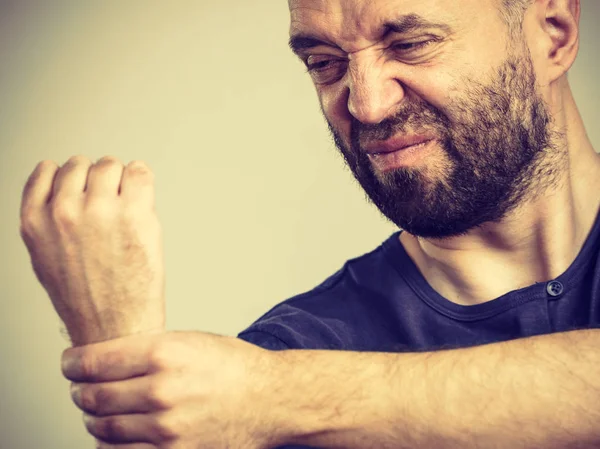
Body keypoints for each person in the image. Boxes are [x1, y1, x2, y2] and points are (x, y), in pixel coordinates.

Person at [19, 0, 600, 448]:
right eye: (324, 63)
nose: (367, 105)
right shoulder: (293, 347)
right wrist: (124, 365)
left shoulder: (260, 389)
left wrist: (279, 394)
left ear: (554, 32)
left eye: (413, 43)